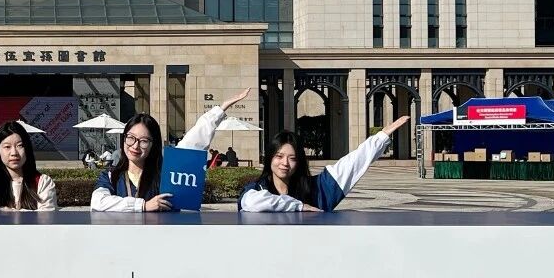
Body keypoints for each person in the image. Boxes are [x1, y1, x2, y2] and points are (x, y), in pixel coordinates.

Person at [91, 88, 251, 213]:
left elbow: (192, 142)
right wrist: (143, 206)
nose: (135, 146)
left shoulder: (166, 174)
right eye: (131, 138)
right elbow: (98, 202)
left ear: (153, 144)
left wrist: (220, 110)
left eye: (144, 141)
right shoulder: (111, 176)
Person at [240, 115, 411, 212]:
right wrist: (299, 206)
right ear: (270, 158)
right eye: (279, 156)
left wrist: (381, 136)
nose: (285, 163)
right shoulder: (256, 189)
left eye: (292, 158)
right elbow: (251, 203)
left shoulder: (317, 189)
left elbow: (352, 163)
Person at [0, 121, 57, 211]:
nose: (14, 153)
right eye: (7, 147)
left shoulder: (42, 182)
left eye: (20, 146)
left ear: (27, 149)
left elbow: (46, 216)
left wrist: (6, 211)